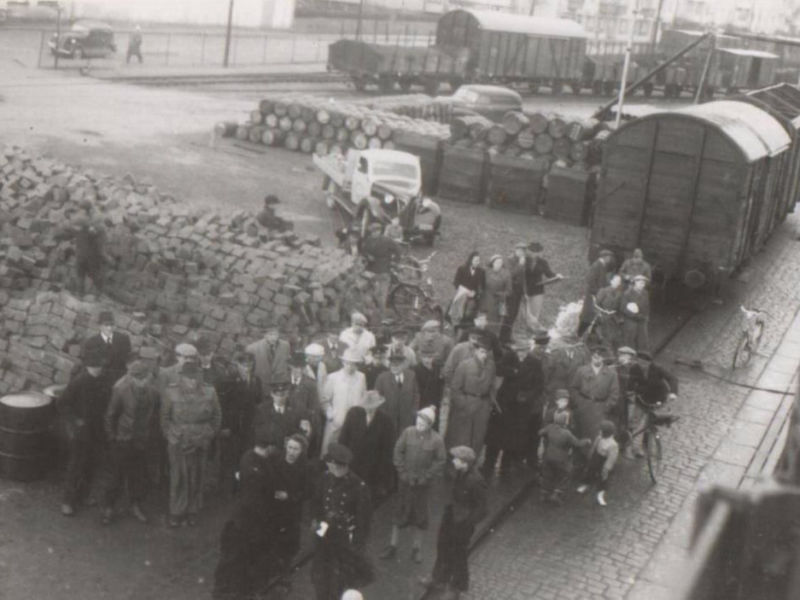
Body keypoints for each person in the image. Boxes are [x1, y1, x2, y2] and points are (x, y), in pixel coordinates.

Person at [212, 429, 275, 600]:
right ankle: (223, 590)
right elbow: (256, 497)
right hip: (246, 520)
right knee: (234, 555)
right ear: (268, 447)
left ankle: (234, 589)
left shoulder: (248, 457)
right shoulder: (257, 467)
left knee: (239, 556)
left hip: (242, 518)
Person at [161, 355, 222, 527]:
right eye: (188, 377)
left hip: (200, 439)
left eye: (195, 377)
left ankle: (192, 510)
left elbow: (217, 417)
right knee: (179, 477)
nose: (192, 381)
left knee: (197, 476)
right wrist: (172, 437)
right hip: (178, 440)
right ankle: (176, 512)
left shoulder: (210, 391)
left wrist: (207, 434)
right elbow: (164, 419)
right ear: (181, 377)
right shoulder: (171, 392)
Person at [420, 446, 488, 600]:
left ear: (465, 463)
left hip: (462, 523)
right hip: (451, 516)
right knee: (442, 546)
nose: (453, 461)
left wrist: (467, 522)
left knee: (459, 554)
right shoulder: (460, 473)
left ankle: (458, 586)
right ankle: (438, 578)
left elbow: (483, 508)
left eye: (456, 459)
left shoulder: (476, 481)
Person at [381, 406, 446, 563]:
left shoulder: (437, 440)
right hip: (405, 483)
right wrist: (402, 472)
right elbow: (398, 452)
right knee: (399, 512)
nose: (419, 425)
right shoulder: (408, 432)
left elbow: (441, 460)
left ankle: (417, 549)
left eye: (423, 424)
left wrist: (426, 476)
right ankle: (392, 546)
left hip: (422, 486)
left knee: (420, 517)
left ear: (430, 425)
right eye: (418, 421)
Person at [311, 443, 373, 600]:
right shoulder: (325, 478)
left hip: (344, 539)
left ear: (342, 466)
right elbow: (317, 505)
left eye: (334, 465)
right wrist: (317, 529)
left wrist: (357, 547)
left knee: (338, 580)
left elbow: (363, 522)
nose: (331, 468)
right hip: (324, 534)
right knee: (320, 576)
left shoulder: (359, 487)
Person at [100, 360, 158, 525]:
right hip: (123, 440)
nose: (141, 382)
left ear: (148, 378)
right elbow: (110, 415)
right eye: (137, 378)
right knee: (116, 476)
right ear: (132, 378)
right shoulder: (120, 390)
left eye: (143, 378)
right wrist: (113, 438)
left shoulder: (153, 393)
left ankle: (135, 505)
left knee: (138, 476)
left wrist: (149, 436)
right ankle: (109, 507)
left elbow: (154, 416)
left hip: (142, 440)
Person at [58, 345, 113, 516]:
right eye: (96, 366)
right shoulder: (79, 382)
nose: (99, 369)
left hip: (97, 431)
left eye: (100, 366)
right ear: (89, 366)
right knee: (76, 465)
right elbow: (62, 403)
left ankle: (84, 495)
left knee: (92, 465)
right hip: (82, 432)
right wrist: (76, 421)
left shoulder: (103, 381)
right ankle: (68, 501)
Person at [197, 335, 240, 496]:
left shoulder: (220, 372)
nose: (205, 357)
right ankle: (198, 484)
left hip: (213, 419)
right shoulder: (193, 370)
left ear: (212, 354)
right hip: (197, 419)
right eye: (202, 354)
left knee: (213, 452)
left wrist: (223, 423)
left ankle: (210, 485)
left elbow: (226, 401)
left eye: (208, 354)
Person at [269, 434, 310, 591]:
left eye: (296, 449)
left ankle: (285, 571)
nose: (292, 452)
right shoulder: (276, 462)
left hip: (291, 510)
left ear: (301, 451)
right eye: (290, 447)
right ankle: (272, 566)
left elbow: (307, 491)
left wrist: (290, 496)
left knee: (288, 542)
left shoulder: (305, 468)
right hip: (274, 508)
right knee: (272, 536)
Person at [339, 390, 396, 502]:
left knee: (366, 497)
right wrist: (342, 460)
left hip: (372, 467)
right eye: (367, 407)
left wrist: (382, 474)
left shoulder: (386, 421)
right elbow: (343, 438)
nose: (369, 409)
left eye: (372, 407)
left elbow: (387, 450)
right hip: (352, 463)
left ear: (378, 405)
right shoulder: (353, 413)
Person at [445, 336, 496, 454]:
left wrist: (489, 404)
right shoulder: (464, 365)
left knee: (478, 437)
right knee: (461, 437)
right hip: (466, 404)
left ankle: (472, 466)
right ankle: (455, 465)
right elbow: (455, 388)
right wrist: (463, 403)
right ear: (475, 351)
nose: (485, 355)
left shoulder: (491, 366)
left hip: (482, 406)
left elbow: (492, 386)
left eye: (487, 352)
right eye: (482, 352)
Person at [627, 351, 678, 457]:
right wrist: (634, 390)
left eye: (645, 363)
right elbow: (631, 384)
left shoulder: (658, 368)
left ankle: (644, 446)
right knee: (635, 422)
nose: (642, 366)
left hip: (657, 398)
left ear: (650, 363)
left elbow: (672, 378)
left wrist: (673, 393)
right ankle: (634, 444)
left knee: (649, 422)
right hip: (642, 398)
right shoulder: (634, 369)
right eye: (640, 363)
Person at [321, 348, 367, 456]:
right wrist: (330, 413)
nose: (350, 367)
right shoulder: (333, 377)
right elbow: (325, 399)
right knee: (330, 449)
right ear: (343, 362)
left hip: (355, 421)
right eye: (348, 363)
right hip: (336, 420)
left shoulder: (361, 377)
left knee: (351, 449)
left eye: (354, 364)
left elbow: (363, 398)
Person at [538, 412, 590, 505]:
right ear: (565, 421)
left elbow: (540, 432)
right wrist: (587, 441)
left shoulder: (550, 427)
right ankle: (556, 494)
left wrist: (547, 436)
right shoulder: (567, 433)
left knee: (547, 475)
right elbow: (577, 443)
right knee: (566, 474)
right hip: (561, 459)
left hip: (548, 456)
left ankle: (544, 494)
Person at [570, 347, 620, 442]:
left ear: (604, 358)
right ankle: (579, 455)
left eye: (600, 357)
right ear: (591, 357)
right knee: (580, 434)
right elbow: (574, 388)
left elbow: (615, 393)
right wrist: (579, 402)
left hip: (600, 409)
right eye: (595, 357)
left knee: (597, 436)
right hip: (583, 407)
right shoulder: (581, 370)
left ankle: (594, 456)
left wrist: (606, 406)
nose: (597, 359)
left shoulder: (612, 374)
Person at [253, 380, 309, 457]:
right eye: (277, 395)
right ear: (272, 394)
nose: (280, 398)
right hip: (267, 451)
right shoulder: (262, 409)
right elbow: (257, 433)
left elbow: (301, 433)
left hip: (288, 452)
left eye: (283, 395)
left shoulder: (296, 410)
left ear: (287, 395)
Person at [519, 242, 562, 336]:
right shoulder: (523, 260)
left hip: (538, 290)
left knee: (535, 313)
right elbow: (518, 274)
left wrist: (557, 276)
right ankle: (532, 329)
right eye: (532, 252)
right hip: (524, 290)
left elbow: (549, 274)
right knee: (526, 312)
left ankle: (532, 333)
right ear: (529, 252)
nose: (535, 254)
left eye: (537, 252)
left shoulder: (543, 262)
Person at [375, 349, 420, 440]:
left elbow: (416, 394)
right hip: (388, 418)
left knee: (405, 440)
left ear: (403, 365)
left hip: (406, 418)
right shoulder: (382, 378)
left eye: (397, 365)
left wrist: (413, 411)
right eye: (392, 365)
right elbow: (377, 398)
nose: (394, 367)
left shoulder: (411, 376)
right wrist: (384, 415)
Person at [361, 222, 400, 320]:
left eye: (376, 231)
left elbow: (398, 250)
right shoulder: (368, 240)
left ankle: (383, 316)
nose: (374, 233)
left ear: (380, 231)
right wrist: (367, 256)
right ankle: (372, 314)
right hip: (370, 271)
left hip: (383, 270)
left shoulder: (387, 240)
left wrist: (395, 262)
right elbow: (363, 250)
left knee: (382, 295)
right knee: (370, 293)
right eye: (372, 232)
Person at [68, 204, 109, 296]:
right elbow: (99, 246)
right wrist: (105, 258)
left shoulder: (78, 230)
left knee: (80, 276)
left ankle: (80, 294)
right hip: (90, 257)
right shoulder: (93, 231)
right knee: (95, 275)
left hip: (80, 256)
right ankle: (99, 294)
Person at [577, 420, 620, 507]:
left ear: (606, 432)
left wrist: (606, 469)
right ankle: (586, 484)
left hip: (604, 462)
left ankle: (600, 494)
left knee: (603, 479)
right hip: (596, 458)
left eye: (601, 430)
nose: (599, 431)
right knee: (590, 472)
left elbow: (611, 458)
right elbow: (594, 446)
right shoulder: (599, 437)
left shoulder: (613, 445)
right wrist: (590, 455)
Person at [82, 310, 131, 384]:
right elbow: (90, 366)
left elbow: (126, 361)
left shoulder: (123, 339)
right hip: (99, 382)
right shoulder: (91, 343)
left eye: (111, 325)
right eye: (106, 325)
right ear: (100, 326)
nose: (109, 328)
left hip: (118, 381)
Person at [246, 321, 291, 400]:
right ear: (265, 335)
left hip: (280, 388)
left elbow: (287, 365)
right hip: (262, 389)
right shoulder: (252, 348)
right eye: (270, 334)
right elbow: (250, 371)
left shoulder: (285, 346)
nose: (274, 338)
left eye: (276, 334)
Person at [288, 352, 321, 458]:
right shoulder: (283, 379)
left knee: (300, 450)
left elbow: (314, 407)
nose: (299, 370)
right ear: (290, 366)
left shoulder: (310, 384)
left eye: (302, 368)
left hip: (301, 423)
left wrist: (307, 421)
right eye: (296, 367)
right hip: (285, 421)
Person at [614, 346, 645, 458]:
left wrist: (634, 392)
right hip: (617, 399)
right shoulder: (616, 367)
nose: (621, 357)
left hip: (630, 400)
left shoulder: (636, 368)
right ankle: (616, 445)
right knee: (617, 422)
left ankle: (628, 448)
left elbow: (642, 384)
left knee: (629, 424)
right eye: (620, 355)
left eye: (624, 355)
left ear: (630, 357)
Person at [577, 249, 615, 337]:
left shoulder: (601, 265)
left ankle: (585, 334)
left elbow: (601, 280)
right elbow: (590, 280)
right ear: (605, 257)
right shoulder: (597, 265)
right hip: (592, 295)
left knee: (592, 315)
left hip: (595, 294)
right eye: (609, 257)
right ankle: (580, 334)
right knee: (587, 314)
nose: (610, 259)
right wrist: (597, 292)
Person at [447, 251, 485, 332]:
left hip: (473, 295)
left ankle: (467, 330)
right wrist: (463, 290)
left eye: (479, 261)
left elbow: (482, 286)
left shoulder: (481, 271)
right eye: (475, 261)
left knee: (469, 312)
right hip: (461, 294)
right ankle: (455, 327)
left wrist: (475, 293)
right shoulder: (462, 269)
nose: (477, 263)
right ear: (470, 260)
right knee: (455, 309)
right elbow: (456, 282)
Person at [480, 254, 512, 336]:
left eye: (501, 263)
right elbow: (480, 284)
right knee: (484, 323)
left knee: (497, 325)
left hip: (499, 302)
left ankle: (494, 340)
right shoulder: (486, 272)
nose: (499, 264)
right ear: (492, 263)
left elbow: (509, 291)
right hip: (486, 301)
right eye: (497, 262)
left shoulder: (506, 274)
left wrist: (500, 294)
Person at [414, 349, 445, 431]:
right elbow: (416, 390)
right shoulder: (416, 370)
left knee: (434, 426)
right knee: (421, 425)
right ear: (421, 357)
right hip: (422, 403)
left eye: (430, 357)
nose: (427, 360)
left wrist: (435, 403)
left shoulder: (437, 368)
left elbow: (440, 388)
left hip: (435, 404)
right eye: (425, 357)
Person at [620, 275, 651, 352]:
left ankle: (641, 357)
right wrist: (635, 316)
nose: (642, 285)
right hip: (631, 321)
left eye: (644, 283)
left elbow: (647, 306)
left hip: (642, 321)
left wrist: (646, 317)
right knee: (630, 340)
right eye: (640, 283)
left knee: (642, 341)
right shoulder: (627, 293)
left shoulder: (645, 293)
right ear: (635, 283)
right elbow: (623, 308)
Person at [594, 273, 624, 350]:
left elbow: (620, 308)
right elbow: (596, 305)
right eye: (616, 281)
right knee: (607, 337)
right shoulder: (603, 291)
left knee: (616, 338)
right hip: (603, 317)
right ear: (611, 281)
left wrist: (618, 316)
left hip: (614, 318)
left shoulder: (619, 294)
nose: (618, 283)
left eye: (619, 281)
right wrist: (602, 312)